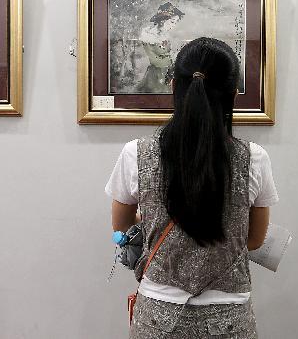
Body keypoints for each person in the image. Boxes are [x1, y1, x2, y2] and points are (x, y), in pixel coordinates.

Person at [105, 37, 279, 338]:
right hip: (230, 320)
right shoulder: (255, 159)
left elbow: (122, 229)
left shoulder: (136, 153)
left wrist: (159, 222)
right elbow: (254, 239)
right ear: (233, 94)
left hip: (157, 318)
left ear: (174, 86)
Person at [135, 2, 185, 93]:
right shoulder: (148, 36)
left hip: (167, 74)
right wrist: (174, 59)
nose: (173, 25)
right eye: (172, 21)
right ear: (162, 20)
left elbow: (166, 54)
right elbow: (154, 60)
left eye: (176, 22)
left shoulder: (165, 36)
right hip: (155, 76)